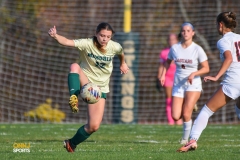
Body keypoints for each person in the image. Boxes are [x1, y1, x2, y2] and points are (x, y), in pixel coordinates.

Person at [48, 22, 129, 152]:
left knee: (93, 126)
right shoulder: (87, 43)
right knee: (74, 66)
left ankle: (71, 143)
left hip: (100, 88)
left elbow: (121, 53)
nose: (105, 39)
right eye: (102, 35)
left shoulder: (115, 46)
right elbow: (67, 42)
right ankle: (73, 96)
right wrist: (56, 36)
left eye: (108, 36)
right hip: (86, 81)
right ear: (96, 34)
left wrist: (123, 64)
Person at [177, 11, 240, 152]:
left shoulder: (223, 41)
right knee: (239, 107)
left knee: (205, 111)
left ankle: (192, 141)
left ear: (221, 25)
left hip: (233, 81)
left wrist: (217, 76)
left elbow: (229, 58)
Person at [160, 22, 209, 145]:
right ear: (180, 33)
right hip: (178, 84)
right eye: (183, 31)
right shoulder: (175, 48)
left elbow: (206, 68)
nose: (185, 33)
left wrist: (193, 74)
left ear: (193, 33)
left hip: (193, 85)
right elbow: (167, 62)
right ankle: (191, 104)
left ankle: (185, 139)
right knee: (176, 116)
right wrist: (162, 75)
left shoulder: (197, 49)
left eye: (188, 30)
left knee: (186, 114)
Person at [158, 34, 182, 125]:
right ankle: (170, 120)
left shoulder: (180, 50)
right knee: (169, 99)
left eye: (173, 39)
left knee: (179, 97)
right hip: (168, 77)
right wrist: (159, 77)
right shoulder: (164, 52)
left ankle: (179, 119)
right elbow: (161, 66)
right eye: (170, 39)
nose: (171, 41)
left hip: (178, 77)